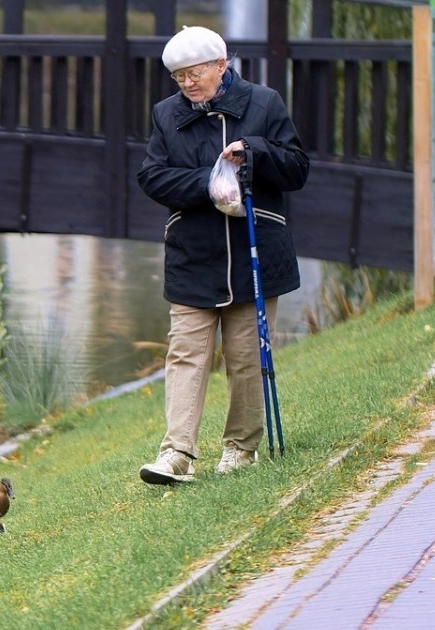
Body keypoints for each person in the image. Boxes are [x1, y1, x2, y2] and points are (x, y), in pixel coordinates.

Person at [136, 25, 308, 482]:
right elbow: (152, 177)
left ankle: (240, 448)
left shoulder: (263, 102)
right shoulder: (166, 115)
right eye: (178, 77)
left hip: (255, 247)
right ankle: (176, 453)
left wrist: (254, 152)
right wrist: (208, 184)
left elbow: (296, 168)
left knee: (246, 356)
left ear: (220, 65)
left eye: (194, 73)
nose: (187, 84)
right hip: (194, 253)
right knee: (186, 354)